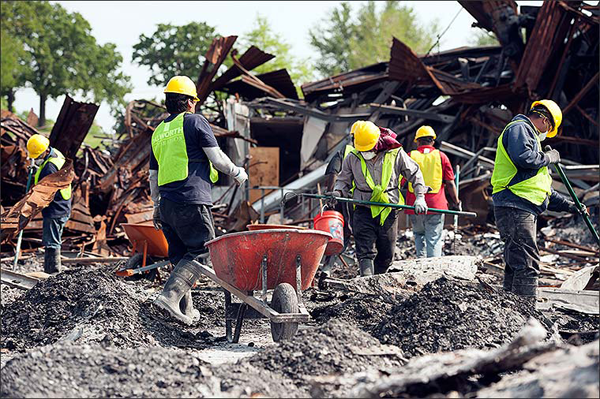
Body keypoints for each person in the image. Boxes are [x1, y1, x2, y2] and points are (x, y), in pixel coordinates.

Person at [149, 76, 248, 325]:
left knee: (182, 255)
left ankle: (185, 311)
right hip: (191, 199)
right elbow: (217, 159)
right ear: (190, 102)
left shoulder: (159, 132)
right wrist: (237, 172)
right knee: (204, 252)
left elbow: (152, 176)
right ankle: (170, 298)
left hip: (167, 204)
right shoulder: (195, 122)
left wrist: (156, 206)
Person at [491, 99, 579, 304]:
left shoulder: (531, 139)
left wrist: (570, 206)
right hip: (514, 204)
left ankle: (511, 308)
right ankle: (525, 313)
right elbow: (524, 159)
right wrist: (548, 158)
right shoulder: (520, 128)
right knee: (527, 262)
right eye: (549, 128)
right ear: (544, 120)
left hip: (519, 205)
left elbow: (543, 190)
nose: (547, 133)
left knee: (517, 262)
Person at [333, 121, 428, 277]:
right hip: (363, 209)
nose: (365, 152)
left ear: (377, 142)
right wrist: (338, 192)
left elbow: (415, 174)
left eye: (368, 149)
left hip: (388, 210)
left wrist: (420, 197)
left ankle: (378, 280)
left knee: (386, 255)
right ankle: (367, 282)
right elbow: (343, 180)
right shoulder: (352, 157)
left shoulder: (395, 154)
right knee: (364, 252)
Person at [405, 126, 459, 258]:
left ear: (417, 141)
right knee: (434, 239)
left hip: (414, 205)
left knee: (418, 235)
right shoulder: (441, 156)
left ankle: (420, 267)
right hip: (436, 205)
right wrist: (456, 202)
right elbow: (450, 183)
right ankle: (433, 272)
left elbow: (400, 181)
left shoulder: (410, 156)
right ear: (433, 141)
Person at [26, 134, 72, 274]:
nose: (37, 159)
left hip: (55, 208)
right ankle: (51, 272)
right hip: (61, 204)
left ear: (45, 151)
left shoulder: (50, 167)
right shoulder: (55, 154)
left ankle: (52, 273)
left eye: (38, 156)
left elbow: (44, 191)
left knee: (51, 241)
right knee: (52, 239)